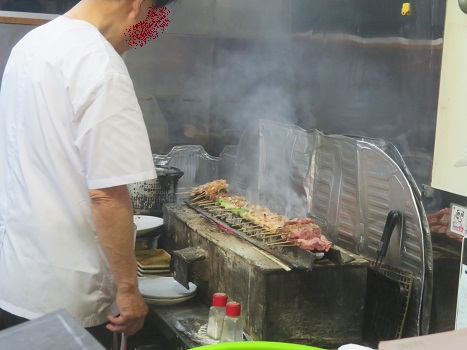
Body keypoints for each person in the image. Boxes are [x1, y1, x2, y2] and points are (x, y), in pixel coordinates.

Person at [0, 0, 174, 348]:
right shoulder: (98, 61)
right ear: (138, 5)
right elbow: (107, 195)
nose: (140, 38)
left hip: (15, 281)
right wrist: (129, 291)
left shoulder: (30, 45)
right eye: (148, 22)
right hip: (71, 298)